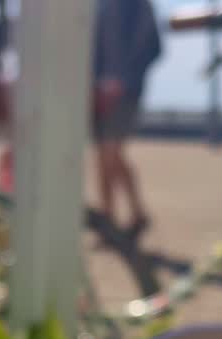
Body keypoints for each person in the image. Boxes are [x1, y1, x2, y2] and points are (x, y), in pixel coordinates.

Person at [92, 0, 161, 233]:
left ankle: (112, 218)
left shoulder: (140, 6)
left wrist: (124, 79)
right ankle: (126, 215)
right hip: (97, 91)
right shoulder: (99, 6)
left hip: (126, 92)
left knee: (110, 153)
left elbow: (152, 48)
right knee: (106, 154)